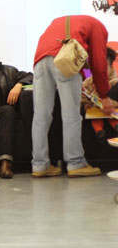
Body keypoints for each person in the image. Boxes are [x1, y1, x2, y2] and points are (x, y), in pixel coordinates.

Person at [32, 15, 115, 178]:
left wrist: (83, 80)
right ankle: (76, 163)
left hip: (40, 60)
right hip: (64, 60)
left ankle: (40, 165)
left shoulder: (60, 21)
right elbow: (98, 63)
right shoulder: (99, 27)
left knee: (41, 116)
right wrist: (104, 95)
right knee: (71, 116)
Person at [81, 46, 118, 142]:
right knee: (95, 119)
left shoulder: (114, 82)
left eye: (104, 69)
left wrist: (112, 103)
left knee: (113, 118)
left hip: (111, 111)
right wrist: (85, 104)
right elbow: (83, 96)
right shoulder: (88, 82)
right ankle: (99, 132)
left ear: (111, 67)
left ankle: (116, 126)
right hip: (95, 110)